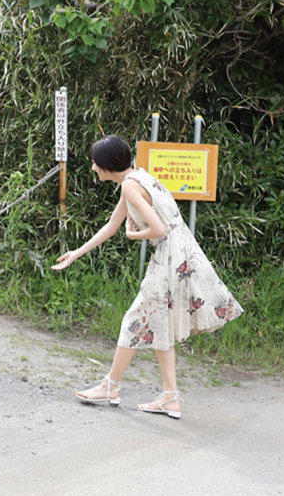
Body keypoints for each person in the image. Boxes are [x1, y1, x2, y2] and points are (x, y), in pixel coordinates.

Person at [51, 134, 243, 419]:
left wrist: (135, 235)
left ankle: (110, 387)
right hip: (181, 252)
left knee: (135, 320)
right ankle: (170, 397)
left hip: (169, 256)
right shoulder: (137, 178)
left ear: (106, 166)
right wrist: (76, 252)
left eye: (95, 163)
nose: (93, 168)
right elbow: (112, 225)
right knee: (159, 325)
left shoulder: (129, 187)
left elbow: (157, 230)